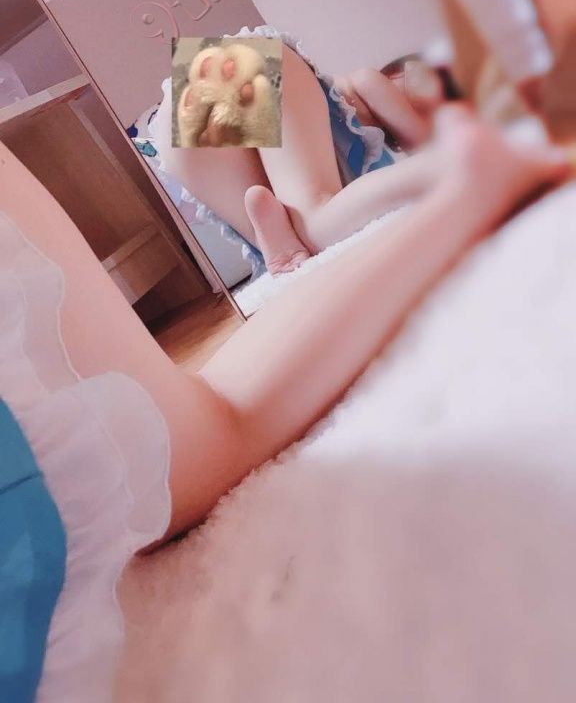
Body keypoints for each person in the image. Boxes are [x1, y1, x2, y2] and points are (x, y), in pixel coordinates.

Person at [0, 107, 567, 698]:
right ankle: (313, 234)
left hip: (207, 132)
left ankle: (292, 244)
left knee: (295, 195)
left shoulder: (228, 89)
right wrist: (403, 120)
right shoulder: (327, 92)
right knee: (309, 197)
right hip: (255, 112)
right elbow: (390, 105)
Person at [154, 30, 448, 276]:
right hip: (239, 66)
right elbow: (427, 147)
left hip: (181, 111)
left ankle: (285, 251)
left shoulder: (364, 156)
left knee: (293, 234)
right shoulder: (368, 81)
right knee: (316, 221)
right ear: (398, 73)